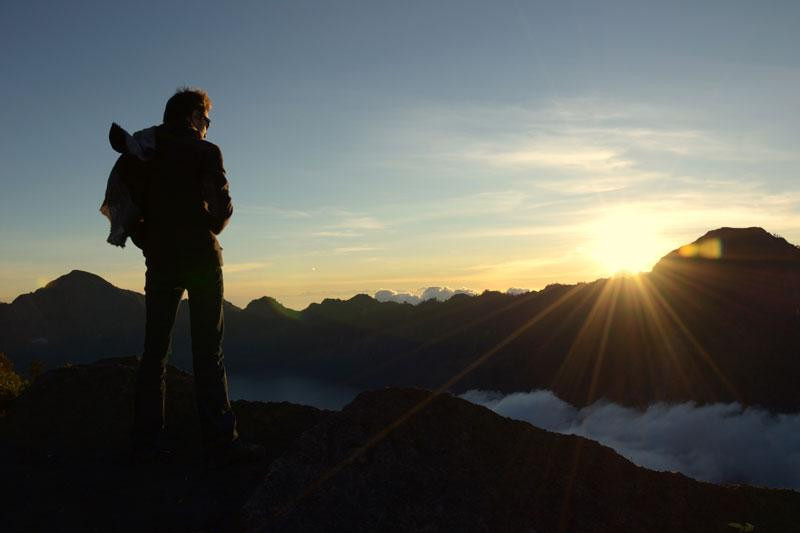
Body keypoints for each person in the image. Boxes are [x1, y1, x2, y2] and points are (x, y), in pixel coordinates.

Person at [127, 87, 264, 467]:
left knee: (154, 351)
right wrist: (210, 225)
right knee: (208, 351)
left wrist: (148, 239)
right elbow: (221, 207)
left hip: (160, 260)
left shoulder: (145, 152)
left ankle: (146, 442)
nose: (207, 126)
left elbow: (130, 206)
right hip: (201, 259)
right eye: (205, 118)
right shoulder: (206, 152)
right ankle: (221, 442)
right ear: (192, 117)